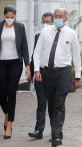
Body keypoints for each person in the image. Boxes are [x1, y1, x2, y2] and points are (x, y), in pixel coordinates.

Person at [33, 8, 81, 147]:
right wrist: (37, 70)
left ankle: (56, 136)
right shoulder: (45, 31)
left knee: (59, 104)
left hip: (63, 73)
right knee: (52, 104)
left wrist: (77, 77)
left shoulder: (71, 34)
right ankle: (58, 132)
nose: (58, 18)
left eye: (61, 16)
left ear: (65, 18)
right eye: (56, 16)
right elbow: (37, 52)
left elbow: (76, 56)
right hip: (47, 73)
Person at [0, 5, 30, 139]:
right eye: (7, 17)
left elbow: (24, 47)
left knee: (11, 92)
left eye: (12, 17)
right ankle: (7, 113)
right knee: (1, 93)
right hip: (1, 63)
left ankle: (9, 124)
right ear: (4, 15)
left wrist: (27, 65)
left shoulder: (20, 27)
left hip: (15, 63)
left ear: (15, 16)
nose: (10, 19)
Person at [28, 12, 53, 140]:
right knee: (41, 103)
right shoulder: (38, 36)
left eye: (48, 22)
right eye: (44, 22)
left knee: (54, 105)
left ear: (53, 23)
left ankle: (56, 131)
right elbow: (35, 55)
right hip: (40, 74)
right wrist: (32, 73)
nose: (45, 25)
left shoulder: (59, 35)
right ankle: (39, 129)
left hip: (54, 74)